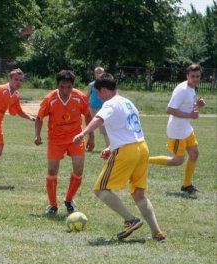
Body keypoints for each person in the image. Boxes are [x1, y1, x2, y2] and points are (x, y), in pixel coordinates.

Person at [73, 73, 165, 242]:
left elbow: (99, 119)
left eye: (98, 93)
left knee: (100, 189)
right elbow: (128, 129)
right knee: (139, 194)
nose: (99, 97)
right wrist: (110, 146)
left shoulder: (110, 103)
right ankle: (157, 233)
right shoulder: (128, 102)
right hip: (142, 148)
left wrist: (84, 133)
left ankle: (131, 220)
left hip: (127, 151)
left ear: (104, 90)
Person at [34, 70, 95, 216]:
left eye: (68, 87)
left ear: (73, 85)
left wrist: (90, 136)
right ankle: (52, 205)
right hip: (56, 139)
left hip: (76, 138)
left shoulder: (79, 97)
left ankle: (68, 200)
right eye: (62, 87)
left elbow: (87, 115)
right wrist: (37, 135)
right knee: (52, 170)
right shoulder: (50, 99)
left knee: (79, 169)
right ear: (57, 85)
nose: (65, 90)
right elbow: (39, 118)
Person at [149, 64, 206, 194]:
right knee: (177, 161)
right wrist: (191, 115)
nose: (195, 79)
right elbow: (170, 110)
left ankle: (186, 185)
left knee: (194, 154)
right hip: (177, 131)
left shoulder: (191, 88)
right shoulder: (182, 89)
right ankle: (145, 160)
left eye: (197, 76)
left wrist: (197, 105)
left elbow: (185, 107)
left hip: (186, 128)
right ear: (187, 76)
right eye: (192, 76)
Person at [86, 66, 110, 149]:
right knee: (89, 127)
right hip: (92, 108)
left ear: (104, 73)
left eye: (101, 72)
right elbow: (87, 97)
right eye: (97, 73)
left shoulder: (107, 84)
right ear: (94, 74)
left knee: (104, 128)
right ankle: (90, 144)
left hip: (103, 108)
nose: (99, 74)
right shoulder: (91, 85)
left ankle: (108, 146)